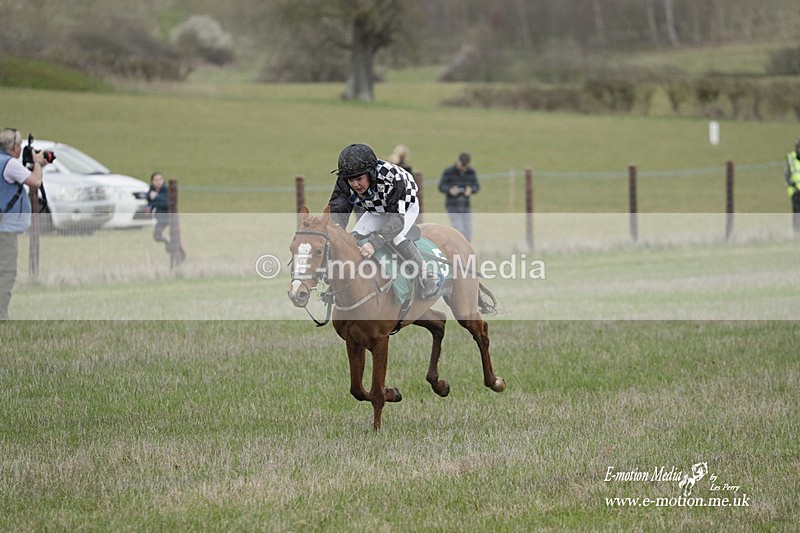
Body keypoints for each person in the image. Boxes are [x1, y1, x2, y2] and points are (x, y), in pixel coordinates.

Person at [330, 143, 437, 298]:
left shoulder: (392, 177)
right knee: (354, 237)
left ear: (371, 173)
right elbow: (339, 207)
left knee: (397, 237)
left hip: (403, 209)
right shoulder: (345, 179)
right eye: (350, 181)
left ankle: (427, 275)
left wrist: (374, 243)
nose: (355, 185)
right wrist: (335, 230)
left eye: (359, 179)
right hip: (376, 209)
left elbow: (396, 222)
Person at [0, 127, 48, 320]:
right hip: (5, 230)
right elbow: (35, 181)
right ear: (15, 148)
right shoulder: (9, 164)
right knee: (6, 273)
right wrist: (37, 163)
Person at [438, 151, 479, 241]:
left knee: (468, 231)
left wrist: (471, 189)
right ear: (458, 161)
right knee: (458, 230)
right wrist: (450, 190)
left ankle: (467, 251)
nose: (463, 168)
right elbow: (441, 186)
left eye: (465, 166)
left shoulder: (471, 172)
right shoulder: (449, 172)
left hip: (465, 205)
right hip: (452, 205)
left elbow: (476, 186)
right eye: (462, 165)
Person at [147, 171, 170, 248]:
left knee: (175, 237)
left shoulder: (167, 190)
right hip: (160, 218)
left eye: (160, 179)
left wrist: (156, 197)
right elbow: (151, 202)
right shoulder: (151, 192)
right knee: (157, 236)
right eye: (156, 180)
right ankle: (168, 241)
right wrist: (148, 209)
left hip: (170, 218)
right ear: (152, 181)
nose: (158, 182)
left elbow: (167, 203)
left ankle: (176, 250)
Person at [784, 139, 800, 234]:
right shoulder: (791, 158)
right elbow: (787, 175)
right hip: (795, 192)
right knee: (797, 214)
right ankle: (797, 234)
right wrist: (792, 185)